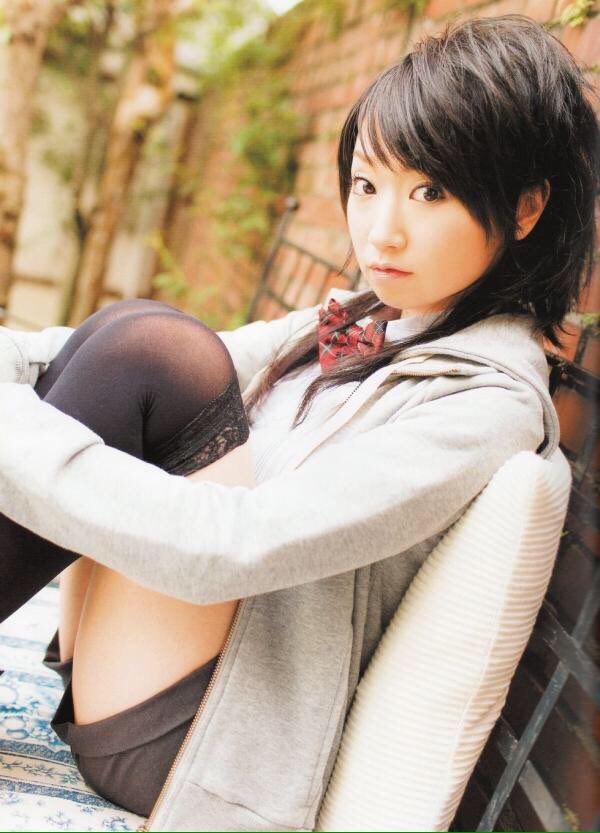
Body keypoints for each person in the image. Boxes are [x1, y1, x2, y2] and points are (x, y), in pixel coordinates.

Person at [0, 12, 597, 831]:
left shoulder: (483, 403)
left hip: (196, 745)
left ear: (526, 208)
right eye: (368, 184)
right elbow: (85, 353)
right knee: (137, 335)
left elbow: (233, 547)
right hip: (147, 665)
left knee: (156, 349)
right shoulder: (376, 320)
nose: (382, 230)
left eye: (431, 192)